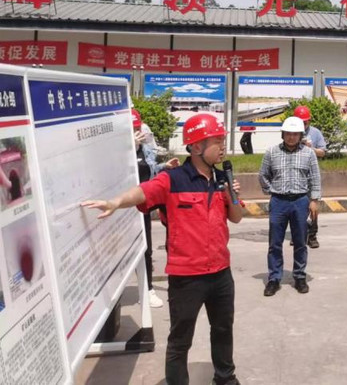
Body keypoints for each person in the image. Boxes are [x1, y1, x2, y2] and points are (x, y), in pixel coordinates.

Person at [82, 113, 243, 385]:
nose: (222, 147)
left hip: (220, 273)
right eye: (216, 141)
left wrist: (232, 195)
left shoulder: (221, 179)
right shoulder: (172, 179)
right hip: (186, 277)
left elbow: (236, 217)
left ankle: (225, 378)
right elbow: (143, 192)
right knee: (181, 339)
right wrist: (115, 202)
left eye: (222, 140)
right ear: (196, 147)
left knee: (223, 329)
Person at [259, 116, 321, 296]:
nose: (291, 137)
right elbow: (263, 175)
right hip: (278, 202)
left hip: (300, 201)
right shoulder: (272, 152)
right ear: (283, 134)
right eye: (288, 133)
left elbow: (315, 177)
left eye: (295, 134)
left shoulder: (309, 153)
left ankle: (299, 276)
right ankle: (274, 278)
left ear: (301, 135)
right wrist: (272, 190)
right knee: (275, 243)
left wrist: (314, 200)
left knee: (300, 241)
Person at [132, 108, 179, 309]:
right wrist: (130, 148)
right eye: (132, 129)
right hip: (124, 207)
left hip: (142, 204)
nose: (137, 133)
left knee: (146, 248)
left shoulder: (145, 149)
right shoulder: (118, 151)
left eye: (137, 128)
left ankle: (148, 288)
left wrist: (164, 167)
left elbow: (150, 170)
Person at [294, 105, 326, 249]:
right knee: (295, 207)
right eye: (300, 122)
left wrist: (310, 149)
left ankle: (312, 235)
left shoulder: (315, 133)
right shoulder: (291, 133)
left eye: (305, 122)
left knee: (313, 205)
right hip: (296, 174)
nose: (303, 125)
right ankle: (297, 235)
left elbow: (323, 152)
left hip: (311, 174)